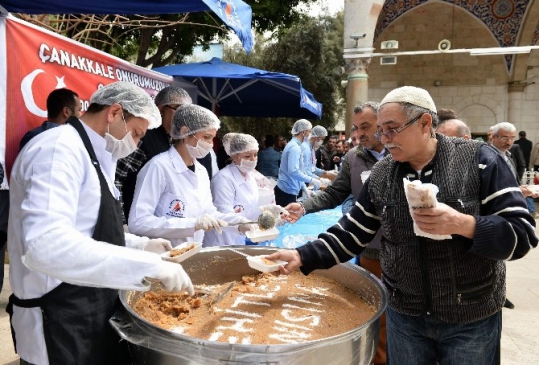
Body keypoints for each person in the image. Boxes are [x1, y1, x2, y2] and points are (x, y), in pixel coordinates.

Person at [268, 86, 538, 365]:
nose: (384, 139)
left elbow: (522, 233)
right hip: (405, 316)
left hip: (470, 316)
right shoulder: (383, 174)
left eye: (391, 129)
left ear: (425, 123)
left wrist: (464, 224)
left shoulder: (480, 161)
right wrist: (302, 255)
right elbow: (353, 230)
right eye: (381, 131)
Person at [7, 81, 194, 365]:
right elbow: (46, 246)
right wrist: (149, 267)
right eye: (136, 133)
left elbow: (88, 228)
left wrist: (142, 245)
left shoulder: (97, 156)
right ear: (115, 112)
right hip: (56, 319)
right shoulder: (58, 150)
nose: (136, 144)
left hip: (89, 308)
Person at [284, 101, 388, 365]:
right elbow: (334, 193)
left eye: (366, 126)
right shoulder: (354, 158)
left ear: (383, 123)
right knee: (377, 314)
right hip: (371, 249)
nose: (359, 134)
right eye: (356, 128)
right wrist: (304, 206)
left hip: (405, 250)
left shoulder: (399, 155)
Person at [128, 104, 254, 247]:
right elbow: (138, 222)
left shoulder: (201, 171)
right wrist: (193, 224)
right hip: (164, 255)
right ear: (185, 132)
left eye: (212, 138)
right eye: (206, 137)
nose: (210, 144)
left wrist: (238, 223)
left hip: (192, 253)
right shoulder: (159, 167)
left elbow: (209, 213)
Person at [116, 85, 193, 222]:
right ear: (161, 109)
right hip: (136, 223)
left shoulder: (176, 142)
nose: (184, 116)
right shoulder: (142, 137)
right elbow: (118, 179)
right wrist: (120, 221)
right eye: (179, 109)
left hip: (163, 226)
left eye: (187, 112)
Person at [204, 133, 287, 247]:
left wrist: (266, 211)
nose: (253, 160)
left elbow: (248, 209)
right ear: (234, 156)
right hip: (221, 240)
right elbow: (223, 216)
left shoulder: (249, 177)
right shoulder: (223, 179)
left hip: (239, 238)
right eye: (247, 156)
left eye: (255, 155)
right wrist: (247, 221)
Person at [274, 119, 322, 206]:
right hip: (286, 191)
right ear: (303, 132)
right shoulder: (294, 148)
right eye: (310, 132)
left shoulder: (296, 146)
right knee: (286, 218)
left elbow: (298, 171)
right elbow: (294, 171)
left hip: (289, 190)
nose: (310, 135)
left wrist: (304, 188)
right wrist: (312, 180)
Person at [301, 125, 334, 190]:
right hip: (301, 183)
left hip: (307, 181)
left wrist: (326, 172)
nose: (322, 142)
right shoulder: (305, 148)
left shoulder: (312, 149)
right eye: (322, 139)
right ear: (317, 137)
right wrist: (319, 179)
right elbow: (305, 170)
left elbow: (312, 168)